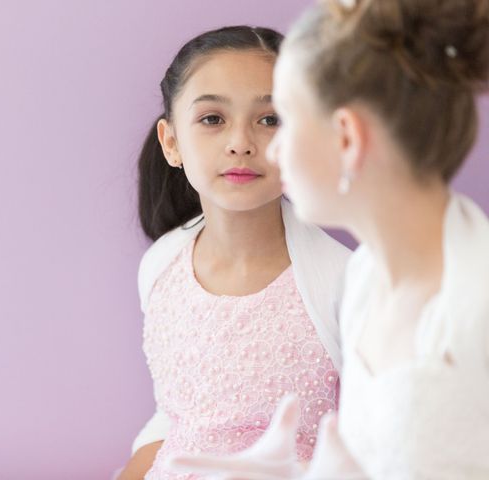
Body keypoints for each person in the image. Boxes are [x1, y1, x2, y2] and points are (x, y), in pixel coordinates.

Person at [169, 0, 489, 478]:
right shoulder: (367, 278)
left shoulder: (474, 306)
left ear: (346, 138)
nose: (270, 149)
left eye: (284, 120)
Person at [118, 25, 351, 480]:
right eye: (212, 119)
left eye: (270, 119)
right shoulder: (162, 266)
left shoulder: (345, 283)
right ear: (172, 143)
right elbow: (175, 416)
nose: (240, 142)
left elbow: (380, 443)